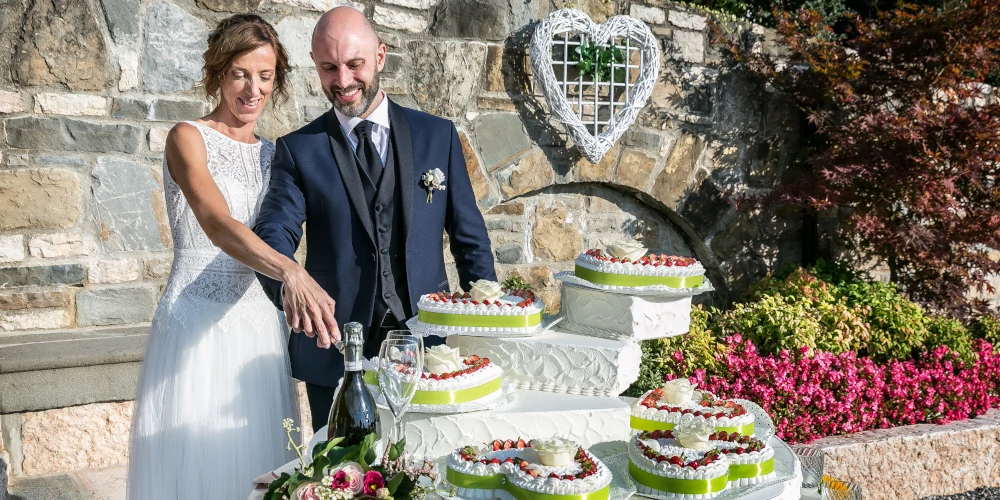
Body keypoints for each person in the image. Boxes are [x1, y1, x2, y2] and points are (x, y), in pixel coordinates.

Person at [253, 7, 496, 432]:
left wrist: (488, 327)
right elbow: (274, 230)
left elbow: (469, 238)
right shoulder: (298, 149)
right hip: (332, 349)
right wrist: (288, 282)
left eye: (354, 64)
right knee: (341, 480)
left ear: (380, 56)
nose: (343, 81)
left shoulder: (436, 135)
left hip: (428, 345)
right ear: (317, 67)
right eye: (329, 68)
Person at [127, 14, 338, 499]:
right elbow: (215, 221)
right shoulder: (187, 137)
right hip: (196, 328)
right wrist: (290, 270)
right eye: (241, 73)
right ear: (218, 72)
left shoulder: (275, 154)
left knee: (261, 471)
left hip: (260, 333)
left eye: (265, 77)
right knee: (196, 468)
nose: (253, 89)